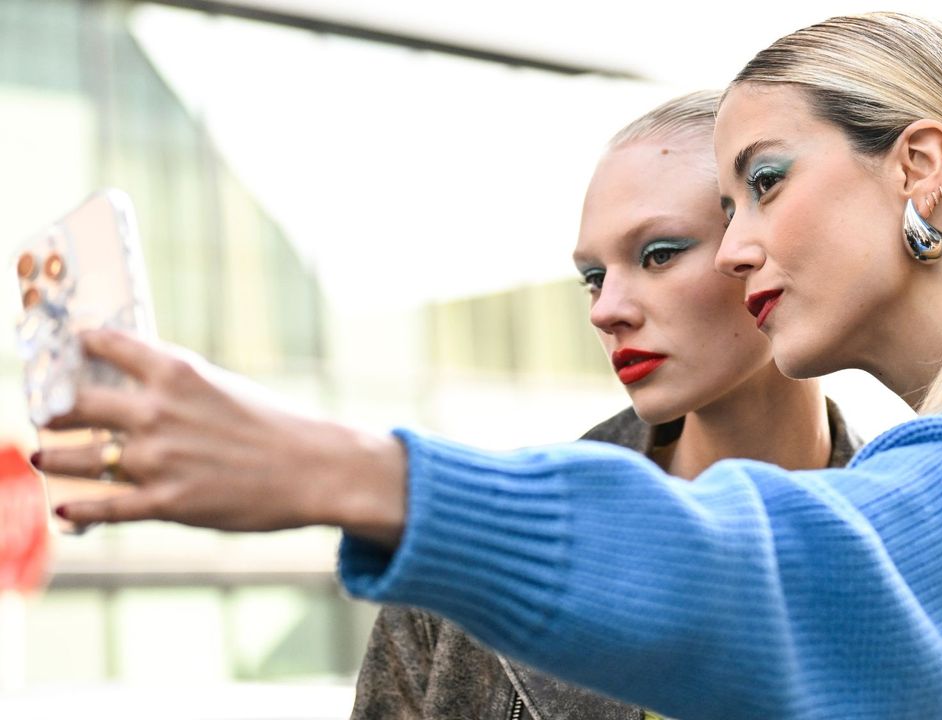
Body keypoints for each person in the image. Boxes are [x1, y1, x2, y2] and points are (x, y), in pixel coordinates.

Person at [38, 11, 942, 720]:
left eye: (765, 185)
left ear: (915, 167)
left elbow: (751, 573)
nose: (742, 246)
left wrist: (335, 469)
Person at [348, 90, 859, 720]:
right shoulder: (474, 555)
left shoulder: (921, 545)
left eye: (659, 254)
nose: (605, 310)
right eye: (594, 277)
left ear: (759, 246)